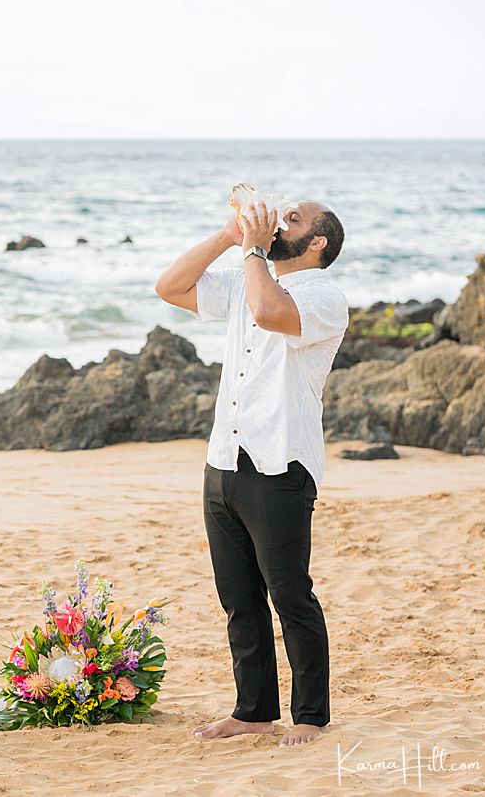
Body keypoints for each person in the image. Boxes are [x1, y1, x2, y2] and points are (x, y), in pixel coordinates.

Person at [154, 197, 348, 747]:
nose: (279, 221)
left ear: (318, 244)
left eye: (294, 219)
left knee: (290, 596)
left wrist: (255, 249)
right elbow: (169, 287)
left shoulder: (323, 297)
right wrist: (226, 235)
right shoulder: (248, 276)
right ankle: (254, 710)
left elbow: (269, 313)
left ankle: (310, 716)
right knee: (239, 598)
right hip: (224, 460)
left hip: (281, 463)